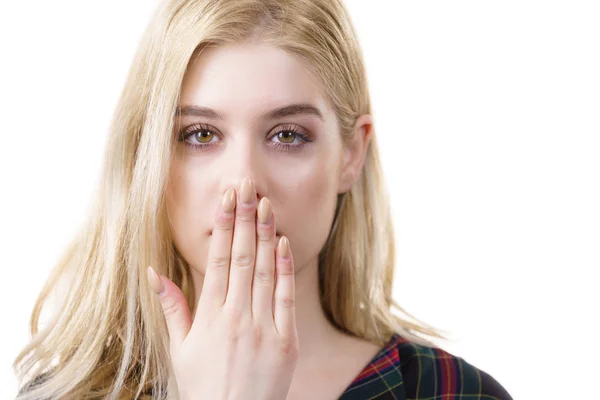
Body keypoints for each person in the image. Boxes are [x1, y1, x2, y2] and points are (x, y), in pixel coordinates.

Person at [13, 0, 512, 399]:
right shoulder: (69, 394)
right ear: (149, 156)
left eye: (288, 136)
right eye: (200, 134)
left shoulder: (454, 394)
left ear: (351, 154)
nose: (244, 185)